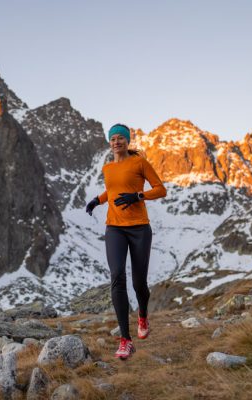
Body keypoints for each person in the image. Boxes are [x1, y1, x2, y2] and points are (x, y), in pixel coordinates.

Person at [86, 123, 167, 360]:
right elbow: (113, 191)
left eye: (121, 138)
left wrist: (138, 195)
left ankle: (142, 314)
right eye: (113, 139)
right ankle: (125, 340)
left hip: (140, 228)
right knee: (117, 277)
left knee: (139, 282)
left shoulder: (139, 163)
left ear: (127, 141)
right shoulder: (108, 168)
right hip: (115, 229)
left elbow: (160, 190)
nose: (116, 142)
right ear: (109, 143)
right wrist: (97, 200)